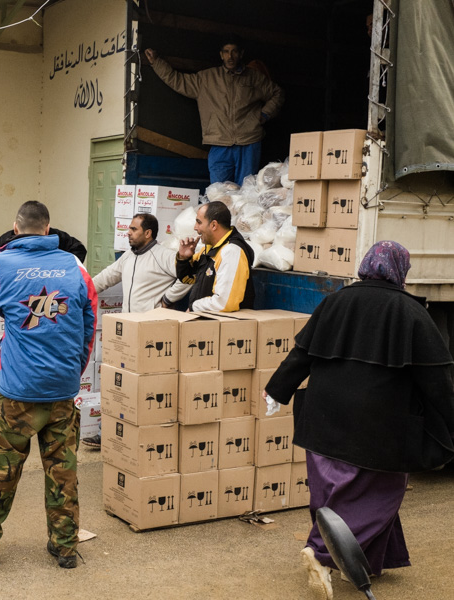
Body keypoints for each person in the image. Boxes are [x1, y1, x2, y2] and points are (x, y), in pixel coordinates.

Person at [263, 241, 454, 600]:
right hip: (379, 430)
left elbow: (301, 352)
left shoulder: (336, 301)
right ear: (400, 270)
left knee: (331, 494)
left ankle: (359, 563)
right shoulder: (410, 312)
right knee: (381, 496)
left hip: (322, 421)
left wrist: (277, 390)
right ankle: (320, 554)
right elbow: (436, 379)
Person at [0, 201, 97, 570]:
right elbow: (90, 323)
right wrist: (73, 372)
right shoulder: (75, 266)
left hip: (18, 390)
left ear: (14, 228)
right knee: (63, 471)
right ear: (48, 229)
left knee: (1, 470)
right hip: (62, 388)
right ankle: (65, 547)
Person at [82, 213, 190, 449]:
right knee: (118, 386)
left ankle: (146, 436)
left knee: (145, 389)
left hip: (150, 334)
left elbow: (187, 277)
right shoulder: (129, 256)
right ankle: (107, 434)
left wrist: (167, 301)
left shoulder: (162, 256)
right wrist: (80, 289)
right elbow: (106, 278)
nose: (128, 232)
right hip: (126, 334)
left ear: (148, 233)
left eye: (133, 229)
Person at [145, 35, 284, 186]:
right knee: (218, 192)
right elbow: (177, 80)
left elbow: (277, 93)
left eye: (234, 51)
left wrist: (265, 114)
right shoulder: (206, 78)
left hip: (248, 142)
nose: (230, 56)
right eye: (226, 52)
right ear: (221, 55)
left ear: (241, 54)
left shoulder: (254, 78)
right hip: (219, 143)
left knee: (246, 191)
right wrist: (156, 62)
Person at [176, 201, 254, 312]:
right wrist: (183, 258)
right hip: (206, 323)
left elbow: (224, 303)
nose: (195, 227)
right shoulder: (208, 250)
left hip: (223, 327)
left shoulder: (231, 252)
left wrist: (194, 307)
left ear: (213, 225)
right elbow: (187, 279)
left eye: (199, 222)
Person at [0, 226, 87, 289]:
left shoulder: (56, 237)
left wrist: (61, 271)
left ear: (46, 230)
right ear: (16, 229)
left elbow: (79, 249)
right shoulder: (8, 239)